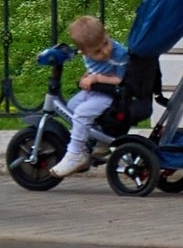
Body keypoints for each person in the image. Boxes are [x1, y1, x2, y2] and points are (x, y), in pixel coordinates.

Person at [49, 14, 127, 178]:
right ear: (83, 51)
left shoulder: (119, 54)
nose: (105, 51)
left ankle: (76, 153)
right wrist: (88, 76)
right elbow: (95, 68)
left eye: (106, 43)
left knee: (82, 113)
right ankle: (92, 143)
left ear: (106, 33)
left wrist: (96, 78)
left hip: (109, 94)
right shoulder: (86, 53)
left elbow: (119, 79)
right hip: (94, 91)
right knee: (71, 107)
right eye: (97, 51)